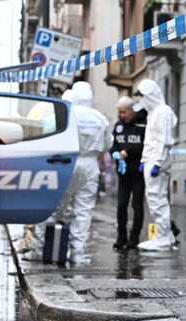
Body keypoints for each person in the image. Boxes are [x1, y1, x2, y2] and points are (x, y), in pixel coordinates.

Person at [27, 82, 111, 264]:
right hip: (91, 164)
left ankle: (41, 249)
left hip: (65, 162)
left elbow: (45, 135)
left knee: (54, 207)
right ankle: (77, 253)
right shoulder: (99, 118)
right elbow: (107, 145)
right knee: (83, 210)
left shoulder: (65, 113)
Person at [133, 79, 179, 251]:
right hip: (151, 159)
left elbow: (164, 141)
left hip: (157, 160)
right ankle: (165, 235)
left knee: (157, 200)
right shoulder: (153, 112)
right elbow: (150, 140)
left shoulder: (163, 112)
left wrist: (157, 162)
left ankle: (163, 239)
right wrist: (144, 160)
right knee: (154, 199)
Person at [110, 96, 147, 250]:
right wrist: (116, 153)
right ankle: (121, 236)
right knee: (121, 205)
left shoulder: (143, 124)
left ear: (132, 111)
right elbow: (113, 146)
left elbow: (146, 146)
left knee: (137, 205)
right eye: (120, 112)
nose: (122, 116)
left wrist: (128, 151)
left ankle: (134, 237)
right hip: (123, 172)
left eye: (124, 112)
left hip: (138, 171)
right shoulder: (118, 126)